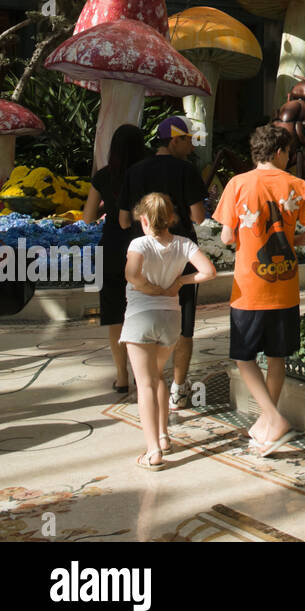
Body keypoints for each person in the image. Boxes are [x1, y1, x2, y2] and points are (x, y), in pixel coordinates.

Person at [215, 123, 305, 456]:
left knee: (244, 358)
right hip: (286, 288)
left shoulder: (237, 183)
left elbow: (227, 238)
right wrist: (294, 239)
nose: (290, 158)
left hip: (249, 288)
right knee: (277, 358)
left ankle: (273, 420)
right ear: (278, 152)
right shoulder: (297, 185)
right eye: (289, 152)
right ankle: (267, 423)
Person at [121, 191, 217, 470]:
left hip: (141, 315)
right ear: (171, 218)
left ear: (144, 220)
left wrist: (148, 288)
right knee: (158, 377)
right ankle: (163, 436)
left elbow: (131, 274)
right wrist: (180, 282)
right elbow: (208, 272)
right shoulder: (184, 244)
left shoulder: (140, 243)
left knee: (145, 384)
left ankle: (153, 452)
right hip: (170, 318)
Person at [120, 116, 207, 412]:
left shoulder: (134, 171)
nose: (191, 146)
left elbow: (122, 218)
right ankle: (177, 390)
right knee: (184, 328)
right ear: (174, 140)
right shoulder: (186, 170)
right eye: (187, 140)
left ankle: (145, 382)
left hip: (142, 255)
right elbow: (198, 216)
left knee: (139, 319)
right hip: (179, 256)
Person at [84, 123, 150, 392]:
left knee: (114, 315)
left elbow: (87, 217)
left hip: (109, 248)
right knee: (143, 311)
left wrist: (107, 207)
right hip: (142, 247)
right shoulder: (147, 174)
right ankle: (143, 375)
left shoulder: (103, 176)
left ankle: (122, 376)